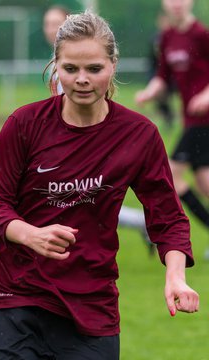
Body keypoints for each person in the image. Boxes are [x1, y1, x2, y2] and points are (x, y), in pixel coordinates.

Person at [0, 11, 199, 360]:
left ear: (113, 65)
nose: (81, 79)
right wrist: (30, 234)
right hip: (14, 298)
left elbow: (168, 217)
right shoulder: (24, 124)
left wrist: (175, 277)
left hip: (91, 307)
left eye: (94, 69)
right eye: (70, 69)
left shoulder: (138, 135)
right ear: (56, 66)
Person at [43, 5, 154, 254]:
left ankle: (139, 225)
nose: (81, 78)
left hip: (82, 143)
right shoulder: (57, 64)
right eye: (47, 24)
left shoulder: (140, 131)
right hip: (66, 143)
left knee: (85, 197)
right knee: (80, 199)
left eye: (56, 24)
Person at [136, 0, 209, 257]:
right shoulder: (167, 37)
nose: (176, 3)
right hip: (192, 121)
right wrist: (149, 93)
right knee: (203, 182)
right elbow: (162, 76)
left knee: (172, 175)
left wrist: (206, 95)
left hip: (205, 120)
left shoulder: (202, 35)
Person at [147, 12, 175, 129]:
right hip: (159, 74)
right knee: (159, 98)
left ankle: (171, 116)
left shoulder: (175, 37)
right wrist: (151, 75)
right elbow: (151, 59)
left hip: (173, 74)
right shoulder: (155, 39)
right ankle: (168, 116)